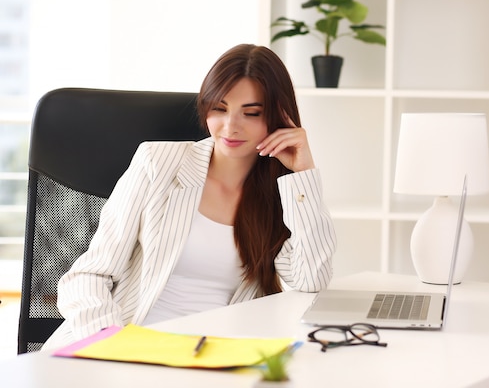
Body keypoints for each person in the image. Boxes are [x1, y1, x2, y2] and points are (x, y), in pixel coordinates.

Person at [42, 44, 337, 350]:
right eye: (219, 109)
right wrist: (113, 342)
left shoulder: (284, 193)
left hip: (214, 354)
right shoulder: (157, 163)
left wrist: (303, 174)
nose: (230, 127)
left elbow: (311, 278)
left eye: (251, 113)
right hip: (126, 338)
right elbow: (89, 275)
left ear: (278, 117)